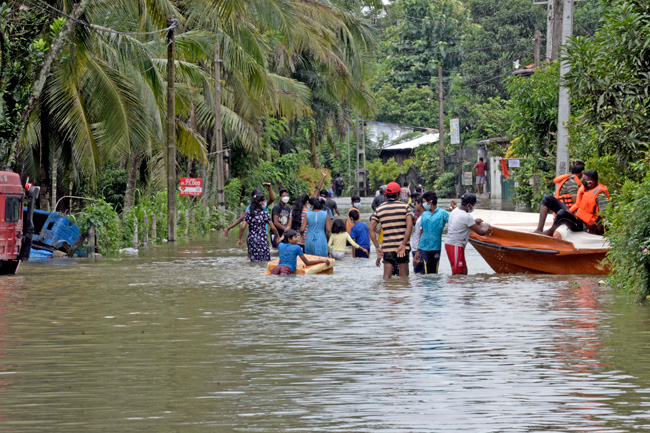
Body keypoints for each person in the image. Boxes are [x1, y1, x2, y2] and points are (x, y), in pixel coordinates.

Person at [542, 169, 609, 237]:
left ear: (591, 183)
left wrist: (600, 231)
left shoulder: (600, 194)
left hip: (583, 225)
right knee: (547, 198)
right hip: (576, 215)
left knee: (561, 213)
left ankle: (550, 233)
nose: (583, 181)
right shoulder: (585, 188)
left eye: (585, 180)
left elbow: (604, 213)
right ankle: (539, 229)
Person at [370, 182, 414, 279]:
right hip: (402, 248)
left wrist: (377, 247)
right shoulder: (405, 207)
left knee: (386, 278)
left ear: (386, 195)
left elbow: (371, 229)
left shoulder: (379, 209)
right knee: (404, 278)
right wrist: (403, 244)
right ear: (398, 194)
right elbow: (409, 227)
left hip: (387, 248)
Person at [445, 193, 490, 275]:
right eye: (473, 205)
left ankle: (464, 287)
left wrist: (474, 221)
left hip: (453, 245)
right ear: (469, 205)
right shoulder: (466, 217)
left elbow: (463, 222)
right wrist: (486, 227)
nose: (474, 207)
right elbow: (481, 232)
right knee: (457, 274)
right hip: (455, 246)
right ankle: (456, 287)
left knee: (464, 270)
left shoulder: (455, 211)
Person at [533, 161, 585, 233]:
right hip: (571, 215)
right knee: (548, 199)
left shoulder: (570, 180)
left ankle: (545, 231)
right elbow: (576, 203)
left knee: (550, 201)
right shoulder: (573, 183)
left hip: (570, 216)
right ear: (582, 173)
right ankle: (540, 230)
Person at [414, 191, 449, 274]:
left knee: (434, 271)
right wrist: (417, 251)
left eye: (424, 202)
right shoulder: (424, 215)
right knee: (425, 271)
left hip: (436, 247)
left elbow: (454, 222)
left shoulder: (443, 213)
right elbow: (421, 233)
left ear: (430, 202)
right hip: (423, 247)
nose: (423, 204)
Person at [242, 194, 282, 262]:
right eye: (264, 201)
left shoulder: (248, 213)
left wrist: (240, 239)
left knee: (253, 259)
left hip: (252, 239)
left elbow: (243, 227)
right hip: (262, 238)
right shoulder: (265, 214)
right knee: (265, 259)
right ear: (261, 203)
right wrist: (278, 236)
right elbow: (273, 228)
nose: (265, 203)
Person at [410, 194, 425, 273]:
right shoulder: (420, 217)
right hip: (417, 248)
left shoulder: (422, 218)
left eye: (415, 204)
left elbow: (422, 235)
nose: (414, 206)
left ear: (420, 204)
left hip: (417, 248)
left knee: (418, 273)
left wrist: (418, 251)